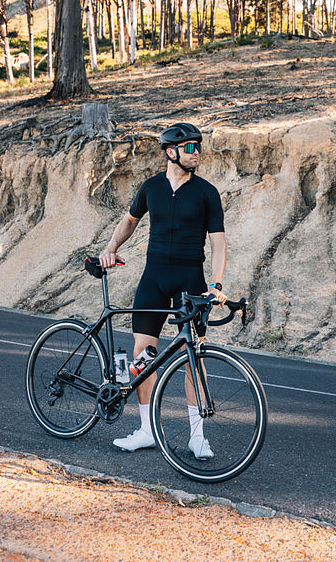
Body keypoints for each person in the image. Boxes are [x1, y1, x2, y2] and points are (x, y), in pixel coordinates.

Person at [99, 122, 227, 459]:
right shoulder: (151, 187)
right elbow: (129, 220)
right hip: (153, 277)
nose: (196, 151)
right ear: (171, 152)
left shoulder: (206, 193)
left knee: (193, 359)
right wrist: (110, 247)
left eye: (198, 145)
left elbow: (219, 245)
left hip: (190, 280)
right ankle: (146, 431)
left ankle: (197, 437)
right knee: (142, 356)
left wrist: (215, 285)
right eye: (189, 147)